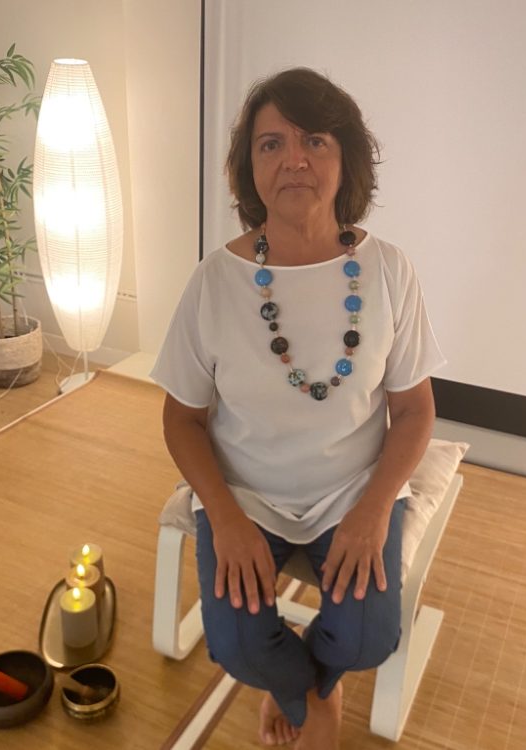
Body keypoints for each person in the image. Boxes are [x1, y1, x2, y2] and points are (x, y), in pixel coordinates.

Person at [151, 67, 445, 748]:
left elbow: (414, 412)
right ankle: (311, 695)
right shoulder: (215, 281)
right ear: (249, 167)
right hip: (247, 493)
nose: (294, 159)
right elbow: (182, 419)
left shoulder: (389, 271)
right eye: (271, 144)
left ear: (345, 158)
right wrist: (225, 518)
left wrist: (374, 508)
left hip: (352, 490)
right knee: (237, 646)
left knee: (368, 638)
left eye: (314, 140)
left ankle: (305, 688)